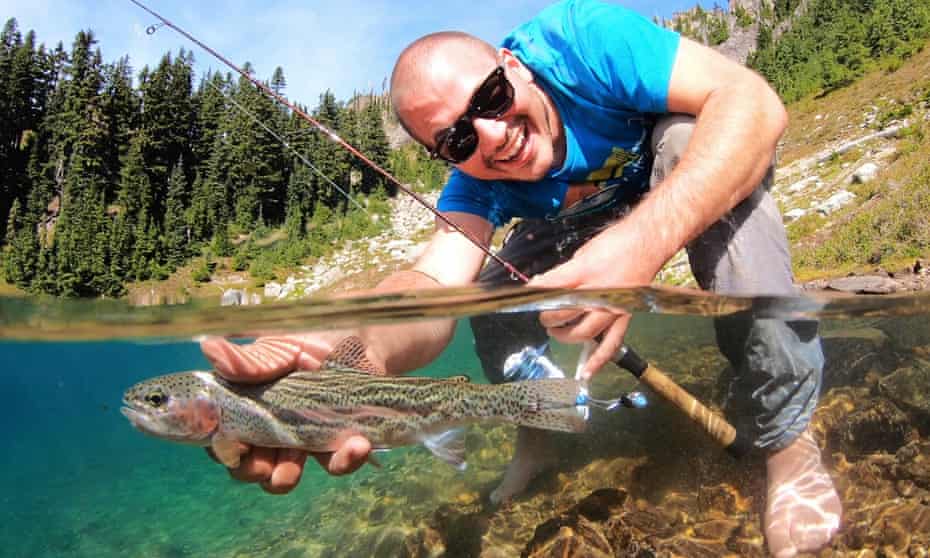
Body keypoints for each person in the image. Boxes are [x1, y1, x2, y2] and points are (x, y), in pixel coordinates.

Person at [200, 1, 841, 555]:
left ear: (513, 64)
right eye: (456, 140)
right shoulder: (474, 181)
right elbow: (431, 281)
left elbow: (751, 101)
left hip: (680, 179)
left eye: (492, 99)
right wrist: (352, 346)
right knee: (489, 298)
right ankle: (536, 436)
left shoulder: (582, 40)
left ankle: (787, 439)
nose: (492, 137)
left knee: (686, 138)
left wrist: (639, 247)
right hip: (574, 226)